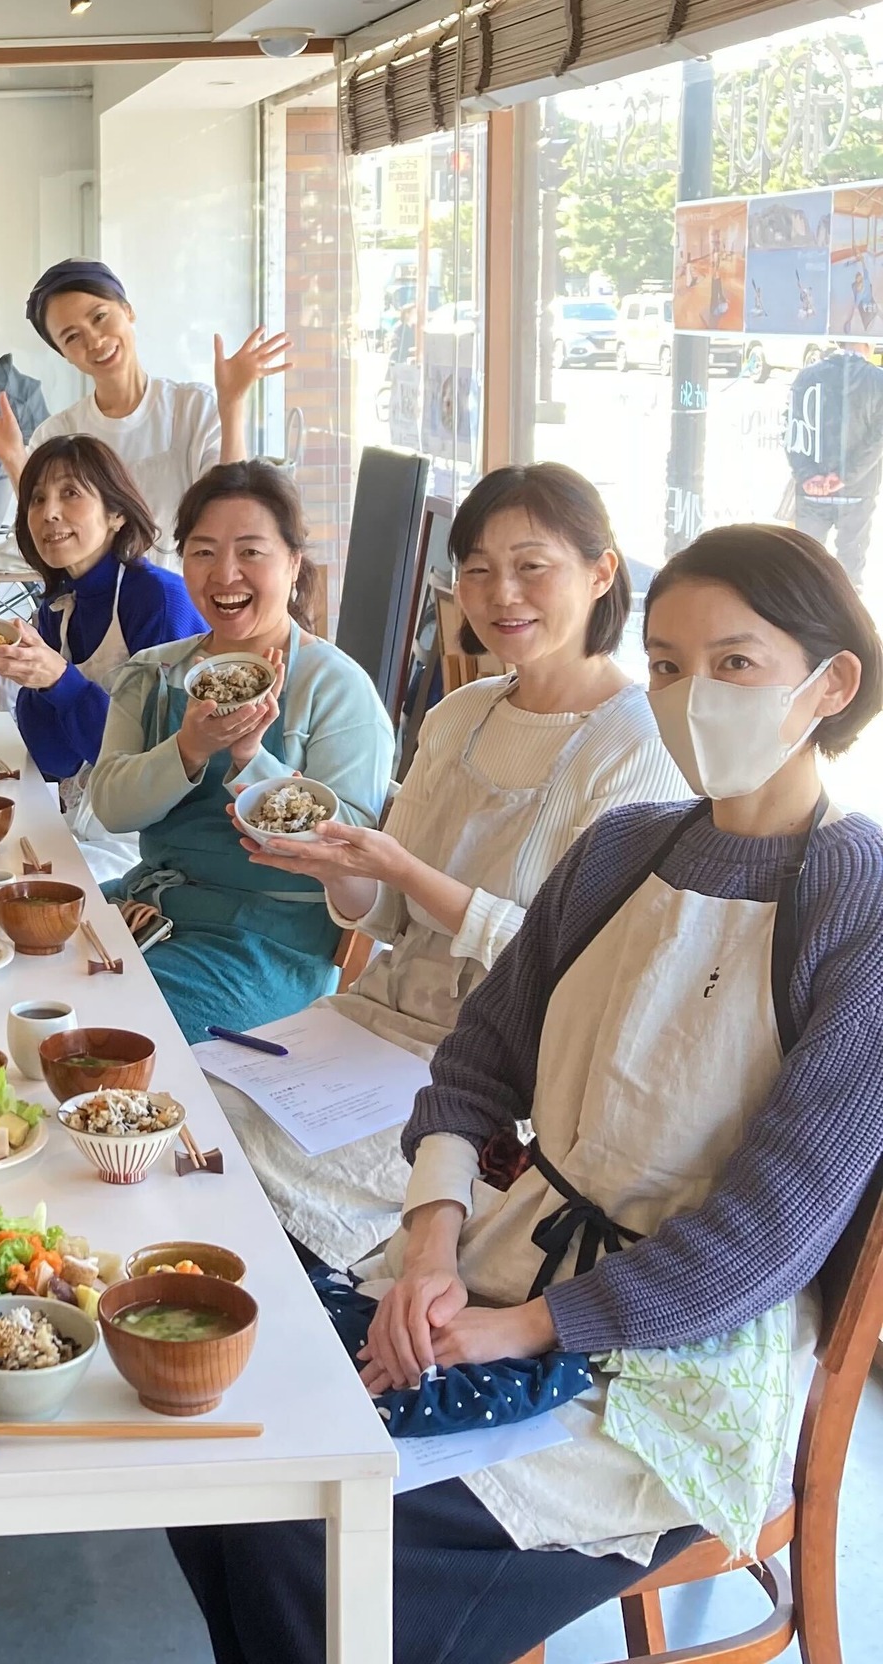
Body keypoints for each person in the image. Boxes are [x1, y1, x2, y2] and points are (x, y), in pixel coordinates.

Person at [179, 523, 883, 1664]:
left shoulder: (858, 903)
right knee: (218, 1433)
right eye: (666, 665)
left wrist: (519, 1327)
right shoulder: (621, 849)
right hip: (505, 1260)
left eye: (734, 663)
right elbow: (475, 1066)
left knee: (307, 1533)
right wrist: (429, 1245)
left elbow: (766, 1237)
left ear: (831, 683)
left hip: (670, 1365)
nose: (690, 698)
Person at [220, 463, 685, 1270]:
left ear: (601, 571)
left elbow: (578, 973)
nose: (502, 593)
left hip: (495, 1077)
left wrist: (405, 870)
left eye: (532, 566)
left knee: (259, 1200)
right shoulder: (459, 713)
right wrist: (334, 863)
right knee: (190, 1115)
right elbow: (388, 914)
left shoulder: (641, 746)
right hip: (371, 1021)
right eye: (477, 569)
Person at [88, 460, 395, 1036]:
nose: (225, 573)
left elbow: (352, 849)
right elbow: (112, 808)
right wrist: (188, 747)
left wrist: (252, 760)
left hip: (265, 943)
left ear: (294, 563)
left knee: (102, 1022)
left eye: (251, 551)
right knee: (11, 958)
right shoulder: (153, 673)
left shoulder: (336, 686)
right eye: (203, 551)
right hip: (147, 907)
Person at [0, 435, 201, 880]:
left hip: (156, 843)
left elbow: (155, 768)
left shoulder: (159, 601)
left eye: (70, 493)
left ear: (116, 514)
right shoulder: (57, 608)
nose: (48, 512)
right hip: (86, 823)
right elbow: (55, 762)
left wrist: (61, 680)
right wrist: (32, 679)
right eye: (37, 498)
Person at [0, 259, 291, 558]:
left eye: (99, 316)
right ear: (64, 354)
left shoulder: (192, 409)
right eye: (72, 337)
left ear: (128, 310)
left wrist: (232, 404)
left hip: (186, 606)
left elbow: (230, 511)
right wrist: (12, 456)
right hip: (96, 609)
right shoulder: (58, 433)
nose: (94, 340)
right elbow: (48, 534)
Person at [786, 340, 883, 587]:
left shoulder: (807, 376)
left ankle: (804, 609)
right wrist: (844, 476)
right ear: (868, 343)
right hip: (857, 491)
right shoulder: (878, 381)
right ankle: (846, 610)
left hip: (812, 491)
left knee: (804, 566)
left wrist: (807, 475)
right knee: (850, 570)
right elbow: (878, 439)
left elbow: (791, 430)